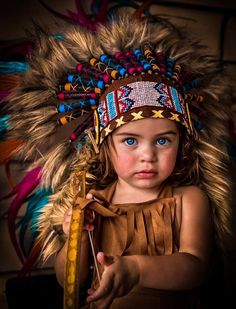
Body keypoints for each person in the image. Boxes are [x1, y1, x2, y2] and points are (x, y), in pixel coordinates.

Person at [1, 8, 233, 309]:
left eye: (163, 140)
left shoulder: (189, 200)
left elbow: (196, 267)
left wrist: (136, 270)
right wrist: (78, 239)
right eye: (130, 141)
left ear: (182, 144)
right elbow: (69, 280)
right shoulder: (94, 202)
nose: (147, 155)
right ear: (105, 147)